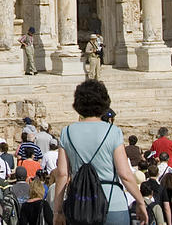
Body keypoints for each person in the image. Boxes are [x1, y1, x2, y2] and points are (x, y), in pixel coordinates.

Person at [53, 79, 146, 225]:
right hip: (112, 202)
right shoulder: (113, 131)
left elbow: (63, 174)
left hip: (80, 204)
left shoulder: (67, 132)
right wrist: (140, 202)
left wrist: (57, 211)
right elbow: (125, 174)